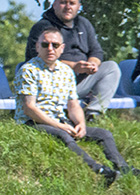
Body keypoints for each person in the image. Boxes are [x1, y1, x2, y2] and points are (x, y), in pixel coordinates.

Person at [16, 28, 139, 185]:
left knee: (104, 134)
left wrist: (81, 123)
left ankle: (124, 169)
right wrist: (60, 126)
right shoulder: (28, 70)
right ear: (37, 47)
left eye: (55, 45)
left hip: (60, 120)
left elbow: (73, 104)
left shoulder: (65, 71)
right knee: (63, 135)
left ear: (62, 48)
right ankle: (101, 171)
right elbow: (29, 108)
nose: (50, 49)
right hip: (32, 122)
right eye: (45, 44)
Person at [24, 0, 120, 121]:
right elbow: (37, 57)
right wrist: (73, 66)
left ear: (79, 6)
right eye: (63, 2)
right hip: (51, 84)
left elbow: (96, 51)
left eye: (72, 3)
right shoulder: (43, 27)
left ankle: (94, 114)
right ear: (54, 4)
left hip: (80, 82)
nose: (68, 7)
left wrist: (92, 64)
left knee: (111, 67)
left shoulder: (84, 23)